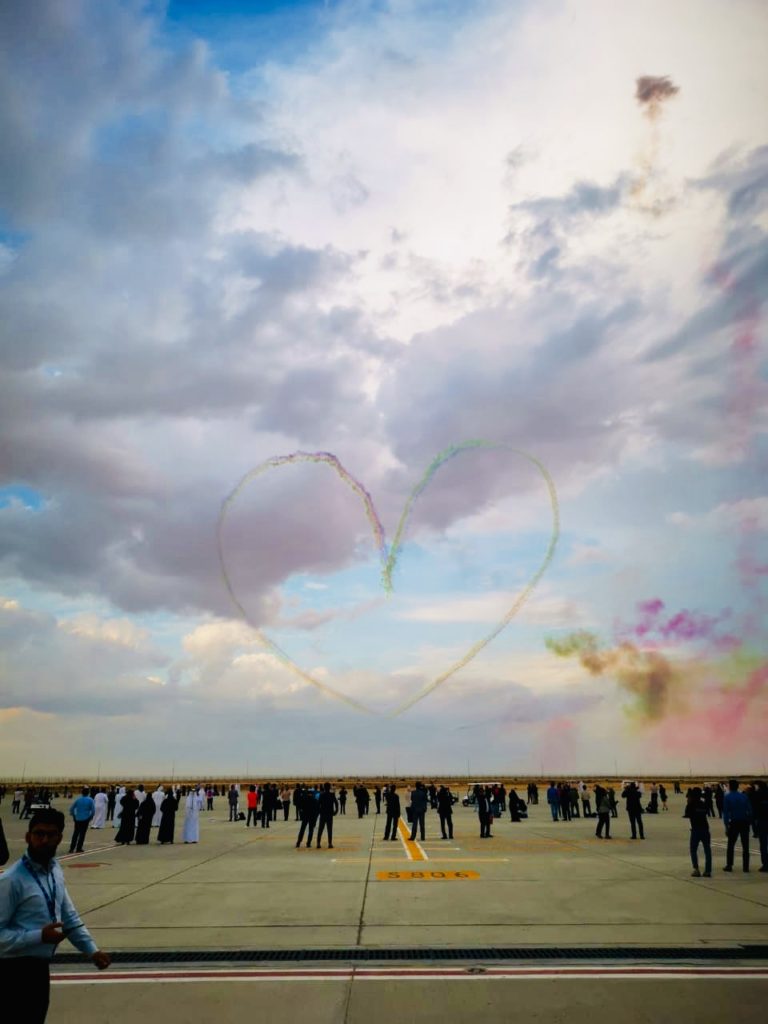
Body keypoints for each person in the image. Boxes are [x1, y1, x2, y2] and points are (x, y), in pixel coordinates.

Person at [0, 809, 111, 1023]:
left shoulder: (55, 871)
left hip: (38, 971)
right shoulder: (12, 881)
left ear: (59, 838)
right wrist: (39, 937)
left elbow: (68, 916)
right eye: (38, 834)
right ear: (28, 837)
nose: (44, 840)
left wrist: (91, 950)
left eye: (51, 835)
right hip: (10, 974)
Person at [722, 778, 751, 872]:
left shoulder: (727, 797)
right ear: (738, 786)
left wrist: (726, 826)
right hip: (744, 822)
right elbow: (750, 810)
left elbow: (726, 813)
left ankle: (729, 865)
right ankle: (746, 867)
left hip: (734, 822)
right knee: (745, 845)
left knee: (731, 845)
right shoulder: (744, 796)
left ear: (729, 786)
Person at [684, 787, 711, 877]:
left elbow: (687, 814)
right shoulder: (703, 804)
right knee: (707, 850)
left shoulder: (690, 805)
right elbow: (706, 812)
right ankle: (708, 870)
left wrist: (689, 801)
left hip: (696, 829)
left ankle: (696, 869)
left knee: (693, 850)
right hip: (705, 828)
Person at [68, 787, 95, 854]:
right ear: (88, 793)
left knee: (75, 833)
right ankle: (79, 848)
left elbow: (71, 809)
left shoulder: (78, 800)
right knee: (82, 834)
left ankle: (71, 848)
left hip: (78, 819)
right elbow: (93, 810)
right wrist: (90, 817)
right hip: (85, 819)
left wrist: (74, 816)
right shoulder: (90, 800)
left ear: (82, 793)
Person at [316, 783, 338, 849]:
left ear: (324, 787)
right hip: (329, 814)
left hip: (323, 814)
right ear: (330, 787)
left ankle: (318, 843)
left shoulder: (321, 795)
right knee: (329, 829)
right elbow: (336, 803)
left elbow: (318, 804)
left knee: (320, 829)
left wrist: (319, 811)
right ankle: (330, 843)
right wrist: (336, 811)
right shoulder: (332, 795)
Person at [754, 780, 768, 872]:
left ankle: (765, 864)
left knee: (763, 844)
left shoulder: (757, 795)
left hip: (762, 821)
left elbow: (755, 809)